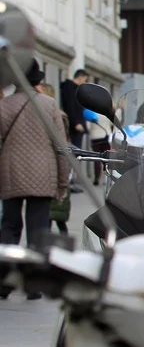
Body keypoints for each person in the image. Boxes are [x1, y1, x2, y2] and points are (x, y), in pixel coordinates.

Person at [0, 60, 69, 299]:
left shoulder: (4, 106)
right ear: (38, 80)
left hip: (10, 172)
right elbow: (61, 147)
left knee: (9, 226)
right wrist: (62, 182)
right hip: (43, 173)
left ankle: (3, 281)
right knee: (39, 227)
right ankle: (34, 284)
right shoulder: (49, 105)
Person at [36, 84, 71, 234]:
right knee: (50, 211)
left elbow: (62, 142)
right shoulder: (48, 114)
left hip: (55, 163)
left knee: (56, 209)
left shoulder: (57, 115)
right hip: (48, 163)